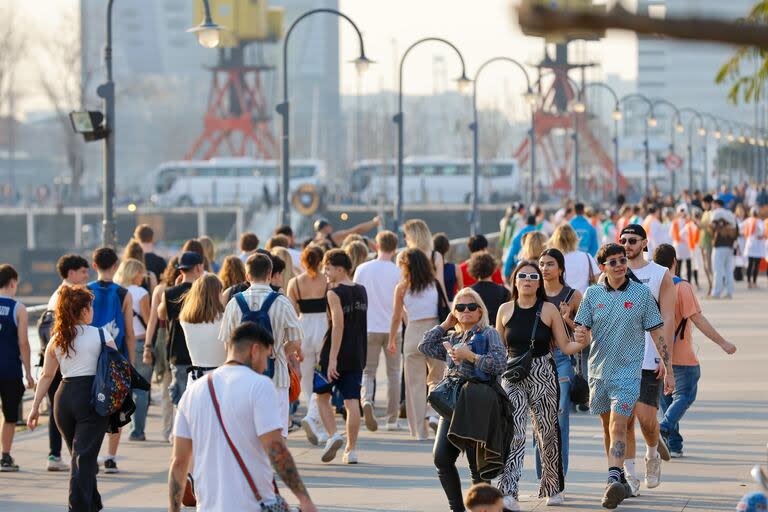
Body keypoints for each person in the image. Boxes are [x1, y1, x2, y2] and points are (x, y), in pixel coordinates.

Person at [168, 322, 318, 512]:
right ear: (255, 350)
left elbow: (179, 462)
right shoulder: (260, 386)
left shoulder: (192, 393)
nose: (265, 366)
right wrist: (304, 499)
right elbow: (276, 449)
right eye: (266, 356)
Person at [574, 243, 673, 510]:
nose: (619, 265)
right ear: (603, 267)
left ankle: (613, 478)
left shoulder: (641, 294)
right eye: (613, 262)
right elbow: (581, 331)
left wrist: (668, 369)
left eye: (622, 261)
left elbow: (657, 333)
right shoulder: (592, 295)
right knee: (608, 427)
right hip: (598, 373)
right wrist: (579, 335)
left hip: (630, 373)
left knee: (619, 426)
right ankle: (616, 478)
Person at [495, 261, 586, 510]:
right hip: (512, 374)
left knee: (547, 431)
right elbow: (499, 351)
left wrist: (584, 341)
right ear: (514, 281)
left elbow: (566, 347)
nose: (527, 279)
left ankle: (552, 487)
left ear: (538, 282)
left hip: (543, 372)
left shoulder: (548, 309)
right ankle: (508, 490)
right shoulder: (504, 310)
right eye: (522, 276)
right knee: (513, 432)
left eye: (532, 276)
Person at [27, 285, 116, 511]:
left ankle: (92, 504)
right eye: (91, 306)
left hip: (63, 399)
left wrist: (35, 407)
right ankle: (77, 507)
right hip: (91, 399)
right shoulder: (101, 334)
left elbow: (46, 376)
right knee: (83, 459)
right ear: (85, 310)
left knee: (81, 458)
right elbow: (117, 368)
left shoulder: (57, 338)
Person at [418, 288, 506, 511]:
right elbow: (425, 346)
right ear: (454, 312)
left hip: (478, 402)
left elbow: (499, 365)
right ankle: (457, 508)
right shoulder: (453, 336)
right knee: (441, 459)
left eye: (471, 307)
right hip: (453, 404)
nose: (466, 311)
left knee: (477, 466)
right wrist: (445, 325)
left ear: (480, 312)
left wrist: (471, 356)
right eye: (460, 307)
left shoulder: (489, 333)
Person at [653, 244, 737, 458]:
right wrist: (723, 342)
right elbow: (697, 319)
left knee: (668, 399)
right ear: (674, 262)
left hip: (656, 355)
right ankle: (663, 427)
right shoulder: (682, 287)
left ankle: (674, 444)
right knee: (685, 396)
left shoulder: (651, 287)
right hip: (682, 356)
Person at [617, 224, 676, 495]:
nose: (627, 245)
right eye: (623, 240)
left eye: (632, 241)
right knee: (625, 421)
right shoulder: (613, 273)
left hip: (648, 359)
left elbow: (667, 321)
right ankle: (629, 476)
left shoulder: (659, 274)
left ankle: (652, 453)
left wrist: (668, 362)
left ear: (644, 243)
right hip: (619, 359)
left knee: (647, 421)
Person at [219, 253, 303, 438]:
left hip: (242, 377)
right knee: (277, 432)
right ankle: (273, 466)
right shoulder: (281, 301)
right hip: (277, 375)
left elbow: (227, 345)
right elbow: (296, 341)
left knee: (246, 432)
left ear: (247, 276)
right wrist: (279, 352)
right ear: (269, 273)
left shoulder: (234, 303)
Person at [315, 249, 367, 464]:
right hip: (357, 352)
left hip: (333, 353)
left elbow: (338, 325)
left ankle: (333, 435)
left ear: (339, 268)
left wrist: (333, 359)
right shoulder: (362, 290)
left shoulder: (333, 293)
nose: (325, 273)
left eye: (327, 268)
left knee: (321, 394)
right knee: (351, 401)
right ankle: (351, 450)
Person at [536, 248, 583, 479]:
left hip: (563, 360)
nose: (544, 268)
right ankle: (543, 475)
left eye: (550, 264)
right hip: (537, 360)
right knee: (540, 418)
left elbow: (586, 332)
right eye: (542, 264)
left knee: (560, 417)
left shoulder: (573, 296)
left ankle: (558, 476)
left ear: (561, 268)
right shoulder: (533, 292)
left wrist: (568, 320)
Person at [41, 254, 90, 471]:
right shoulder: (67, 295)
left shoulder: (57, 295)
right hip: (65, 361)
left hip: (56, 356)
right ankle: (65, 455)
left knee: (57, 408)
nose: (87, 275)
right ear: (71, 273)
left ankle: (58, 454)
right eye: (83, 271)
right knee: (63, 410)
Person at [389, 248, 444, 440]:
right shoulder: (434, 284)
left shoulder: (402, 287)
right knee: (437, 378)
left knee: (414, 385)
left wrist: (391, 340)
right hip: (435, 331)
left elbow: (396, 317)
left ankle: (420, 432)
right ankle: (434, 413)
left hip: (413, 333)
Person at [88, 247, 135, 473]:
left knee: (92, 408)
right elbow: (129, 331)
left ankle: (92, 455)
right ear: (116, 266)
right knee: (115, 408)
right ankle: (110, 458)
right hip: (116, 358)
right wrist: (131, 363)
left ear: (94, 265)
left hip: (90, 358)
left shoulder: (84, 291)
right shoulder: (125, 294)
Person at [353, 230, 402, 432]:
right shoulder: (398, 271)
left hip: (367, 326)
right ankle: (391, 419)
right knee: (393, 374)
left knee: (368, 371)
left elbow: (356, 296)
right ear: (395, 248)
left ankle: (367, 400)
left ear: (376, 245)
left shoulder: (362, 269)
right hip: (393, 328)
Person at [287, 245, 329, 445]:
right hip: (323, 328)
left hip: (303, 329)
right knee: (322, 376)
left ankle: (313, 418)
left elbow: (292, 314)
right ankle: (314, 418)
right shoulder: (327, 281)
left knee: (306, 378)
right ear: (321, 260)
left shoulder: (295, 283)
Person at [159, 252, 205, 411]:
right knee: (199, 403)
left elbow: (161, 315)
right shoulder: (203, 292)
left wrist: (175, 286)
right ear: (199, 267)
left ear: (181, 270)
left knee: (181, 405)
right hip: (199, 354)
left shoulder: (170, 293)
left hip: (177, 353)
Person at [114, 258, 153, 442]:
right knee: (141, 390)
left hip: (120, 344)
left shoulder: (117, 291)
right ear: (134, 273)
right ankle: (137, 431)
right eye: (141, 272)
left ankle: (118, 424)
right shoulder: (141, 293)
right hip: (139, 342)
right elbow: (148, 320)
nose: (143, 275)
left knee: (123, 388)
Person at [142, 257, 180, 443]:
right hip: (182, 336)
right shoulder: (192, 288)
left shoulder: (160, 290)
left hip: (163, 336)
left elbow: (152, 321)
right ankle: (180, 430)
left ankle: (167, 430)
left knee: (166, 387)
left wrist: (148, 346)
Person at [0, 265, 33, 472]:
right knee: (10, 416)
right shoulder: (18, 308)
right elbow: (23, 343)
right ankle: (5, 457)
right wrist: (29, 373)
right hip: (10, 370)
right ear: (13, 282)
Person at [180, 273, 225, 383]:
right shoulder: (224, 319)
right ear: (215, 294)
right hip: (219, 378)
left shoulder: (185, 319)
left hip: (195, 378)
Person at [549, 223, 601, 294]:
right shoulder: (587, 256)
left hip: (561, 301)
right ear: (574, 238)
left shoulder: (554, 259)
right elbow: (598, 280)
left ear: (556, 240)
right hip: (584, 300)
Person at [403, 218, 448, 297]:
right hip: (431, 300)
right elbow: (440, 284)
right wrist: (446, 304)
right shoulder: (436, 256)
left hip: (409, 300)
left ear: (412, 236)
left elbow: (401, 283)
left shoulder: (403, 256)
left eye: (406, 235)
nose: (405, 238)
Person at [468, 252, 510, 326]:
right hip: (497, 330)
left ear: (474, 269)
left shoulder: (469, 291)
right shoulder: (503, 291)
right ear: (493, 268)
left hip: (475, 331)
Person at [710, 198, 738, 299]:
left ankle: (716, 292)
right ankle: (729, 292)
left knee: (717, 270)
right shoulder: (730, 214)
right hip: (729, 245)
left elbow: (712, 226)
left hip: (719, 245)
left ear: (717, 204)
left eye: (713, 205)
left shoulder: (716, 213)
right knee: (728, 270)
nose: (712, 207)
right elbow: (736, 229)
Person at [313, 216, 380, 249]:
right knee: (365, 240)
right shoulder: (333, 237)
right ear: (327, 227)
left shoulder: (312, 243)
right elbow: (356, 230)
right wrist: (374, 222)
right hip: (334, 271)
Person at [433, 233, 463, 301]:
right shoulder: (455, 268)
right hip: (450, 305)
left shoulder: (428, 269)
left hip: (433, 306)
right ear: (447, 248)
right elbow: (461, 292)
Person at [742, 207, 765, 289]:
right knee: (756, 264)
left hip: (749, 244)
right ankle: (754, 282)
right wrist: (760, 235)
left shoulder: (747, 220)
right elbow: (763, 231)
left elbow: (741, 228)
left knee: (750, 264)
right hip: (757, 245)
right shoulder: (759, 221)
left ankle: (749, 282)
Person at [670, 206, 693, 281]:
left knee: (688, 264)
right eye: (681, 211)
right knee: (678, 264)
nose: (683, 213)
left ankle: (689, 282)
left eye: (684, 211)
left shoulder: (689, 221)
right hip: (678, 245)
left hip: (686, 245)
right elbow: (671, 234)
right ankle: (678, 282)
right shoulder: (675, 222)